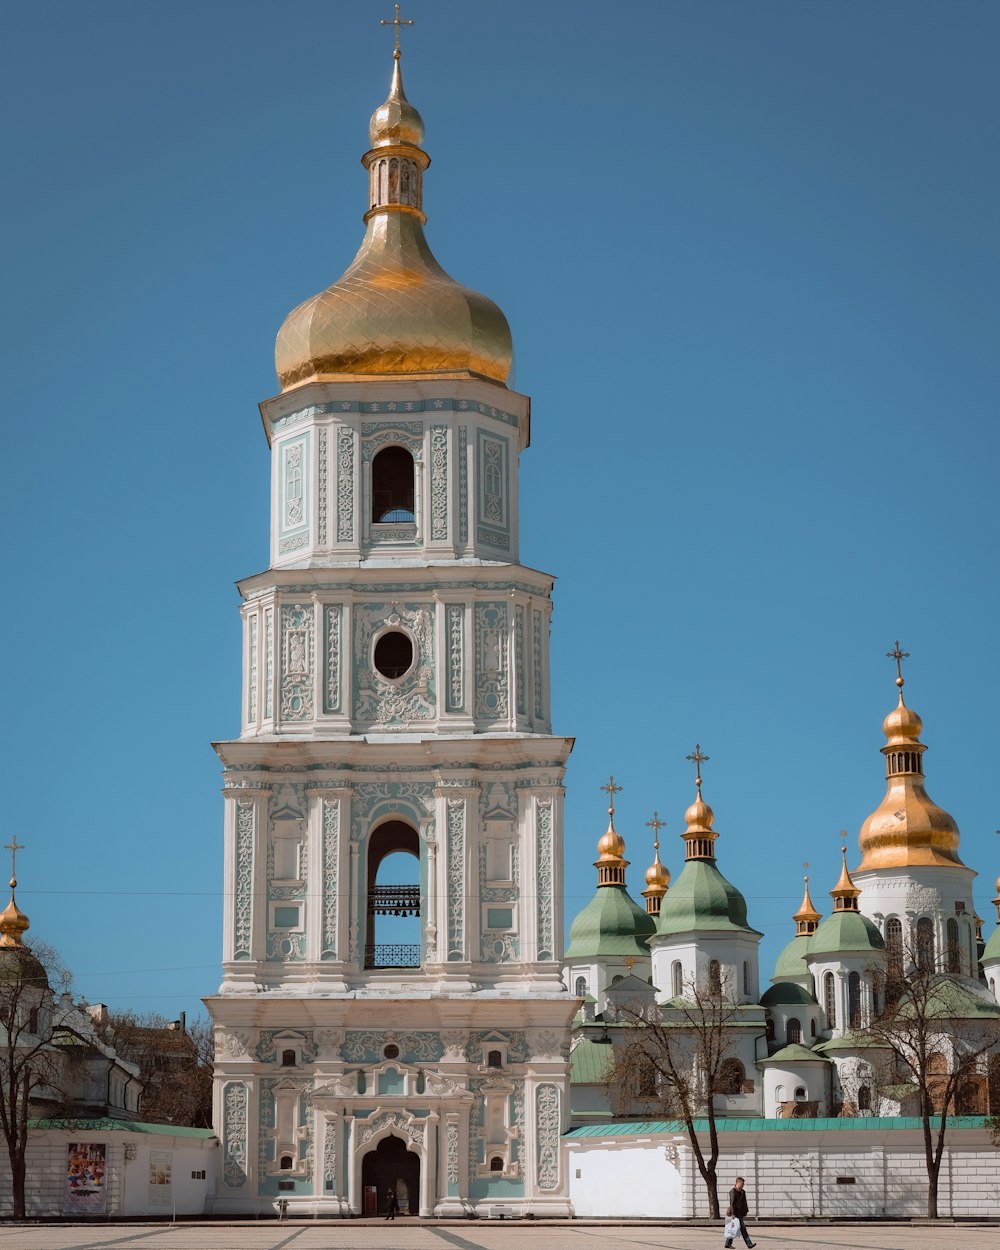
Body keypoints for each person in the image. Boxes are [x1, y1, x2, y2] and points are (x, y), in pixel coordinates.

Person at [724, 1176, 756, 1248]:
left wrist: (746, 1210)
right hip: (735, 1213)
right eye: (742, 1184)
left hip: (740, 1213)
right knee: (743, 1229)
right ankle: (749, 1244)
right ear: (737, 1183)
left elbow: (744, 1202)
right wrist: (733, 1214)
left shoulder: (743, 1192)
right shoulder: (733, 1191)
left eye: (743, 1184)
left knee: (733, 1228)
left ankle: (727, 1244)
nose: (743, 1185)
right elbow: (732, 1203)